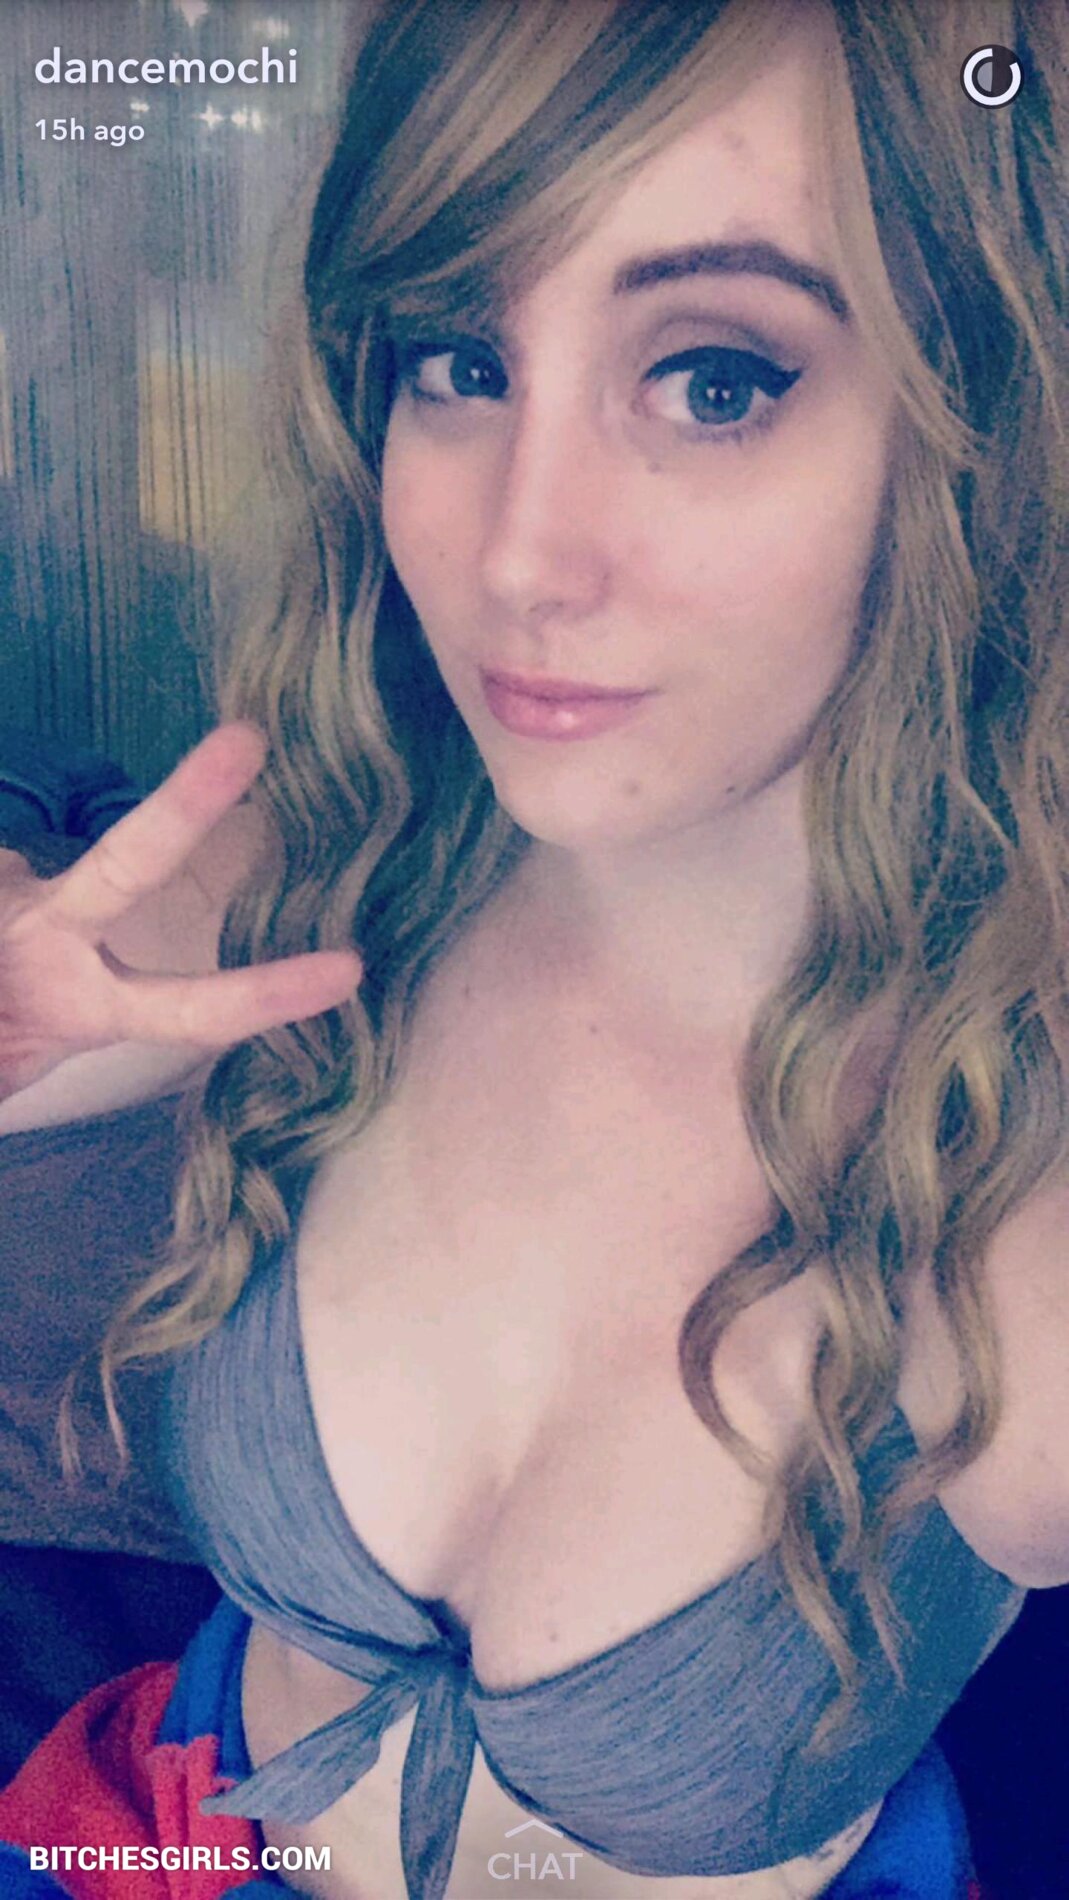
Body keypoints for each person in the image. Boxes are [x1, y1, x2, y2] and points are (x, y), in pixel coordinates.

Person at [0, 0, 1065, 1894]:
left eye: (715, 379)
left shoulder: (1024, 1209)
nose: (513, 554)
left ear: (983, 432)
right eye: (458, 359)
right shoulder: (344, 852)